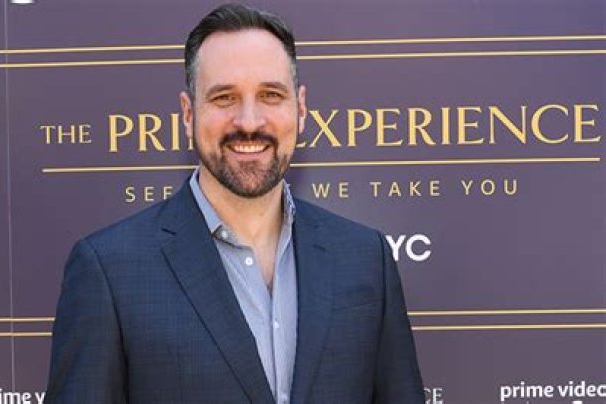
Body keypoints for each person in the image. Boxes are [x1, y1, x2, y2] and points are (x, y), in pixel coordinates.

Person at [45, 3, 424, 403]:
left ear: (300, 109)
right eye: (224, 97)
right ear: (188, 114)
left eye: (270, 95)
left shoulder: (365, 258)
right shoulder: (109, 270)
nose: (249, 122)